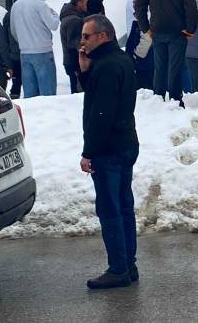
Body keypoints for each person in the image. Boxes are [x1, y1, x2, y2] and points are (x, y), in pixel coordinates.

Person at [77, 15, 139, 290]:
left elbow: (101, 113)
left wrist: (89, 152)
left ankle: (118, 269)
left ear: (103, 36)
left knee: (110, 209)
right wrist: (85, 71)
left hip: (108, 149)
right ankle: (128, 264)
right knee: (124, 207)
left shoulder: (106, 66)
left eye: (86, 36)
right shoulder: (121, 60)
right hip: (126, 143)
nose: (82, 42)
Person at [135, 0, 197, 106]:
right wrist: (190, 29)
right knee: (175, 66)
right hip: (177, 30)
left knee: (160, 65)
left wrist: (145, 27)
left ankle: (158, 97)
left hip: (157, 29)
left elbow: (140, 4)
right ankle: (175, 99)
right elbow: (190, 5)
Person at [10, 0, 60, 97]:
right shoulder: (41, 5)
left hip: (25, 53)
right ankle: (49, 114)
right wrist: (56, 15)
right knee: (47, 91)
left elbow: (13, 30)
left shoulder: (16, 5)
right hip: (43, 51)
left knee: (29, 93)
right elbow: (53, 25)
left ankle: (32, 114)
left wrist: (23, 42)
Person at [59, 0, 89, 93]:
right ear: (79, 2)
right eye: (85, 2)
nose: (87, 5)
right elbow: (73, 43)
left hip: (71, 61)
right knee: (79, 93)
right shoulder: (74, 20)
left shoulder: (68, 17)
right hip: (75, 62)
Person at [2, 0, 24, 98]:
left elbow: (5, 36)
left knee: (16, 76)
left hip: (13, 51)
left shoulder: (8, 14)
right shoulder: (25, 12)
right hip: (26, 49)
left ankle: (15, 93)